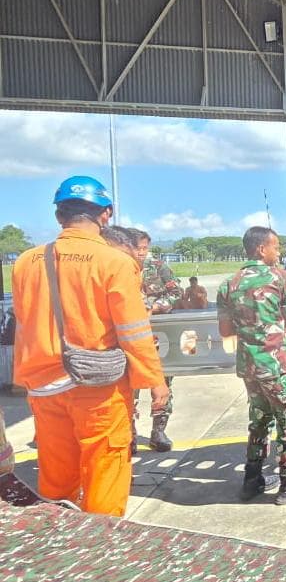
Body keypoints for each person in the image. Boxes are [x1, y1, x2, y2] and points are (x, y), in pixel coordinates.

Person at [12, 176, 169, 516]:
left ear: (59, 217)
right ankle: (103, 548)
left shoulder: (26, 262)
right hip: (97, 388)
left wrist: (23, 377)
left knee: (55, 476)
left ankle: (58, 540)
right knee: (105, 470)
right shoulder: (114, 261)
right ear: (105, 214)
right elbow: (133, 330)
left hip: (42, 386)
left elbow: (23, 325)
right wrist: (154, 381)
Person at [217, 226, 286, 505]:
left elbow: (225, 329)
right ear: (261, 249)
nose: (278, 253)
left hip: (249, 368)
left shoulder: (228, 283)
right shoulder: (279, 277)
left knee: (259, 422)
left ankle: (252, 481)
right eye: (275, 247)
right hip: (278, 366)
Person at [130, 229, 182, 452]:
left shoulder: (159, 267)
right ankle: (129, 433)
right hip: (131, 340)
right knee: (130, 387)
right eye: (137, 248)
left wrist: (157, 306)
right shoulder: (120, 268)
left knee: (162, 384)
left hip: (158, 336)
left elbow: (176, 292)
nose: (142, 253)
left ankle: (158, 431)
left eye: (145, 248)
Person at [100, 225, 144, 456]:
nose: (142, 253)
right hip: (109, 361)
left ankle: (152, 432)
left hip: (143, 344)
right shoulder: (116, 266)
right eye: (139, 248)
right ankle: (129, 438)